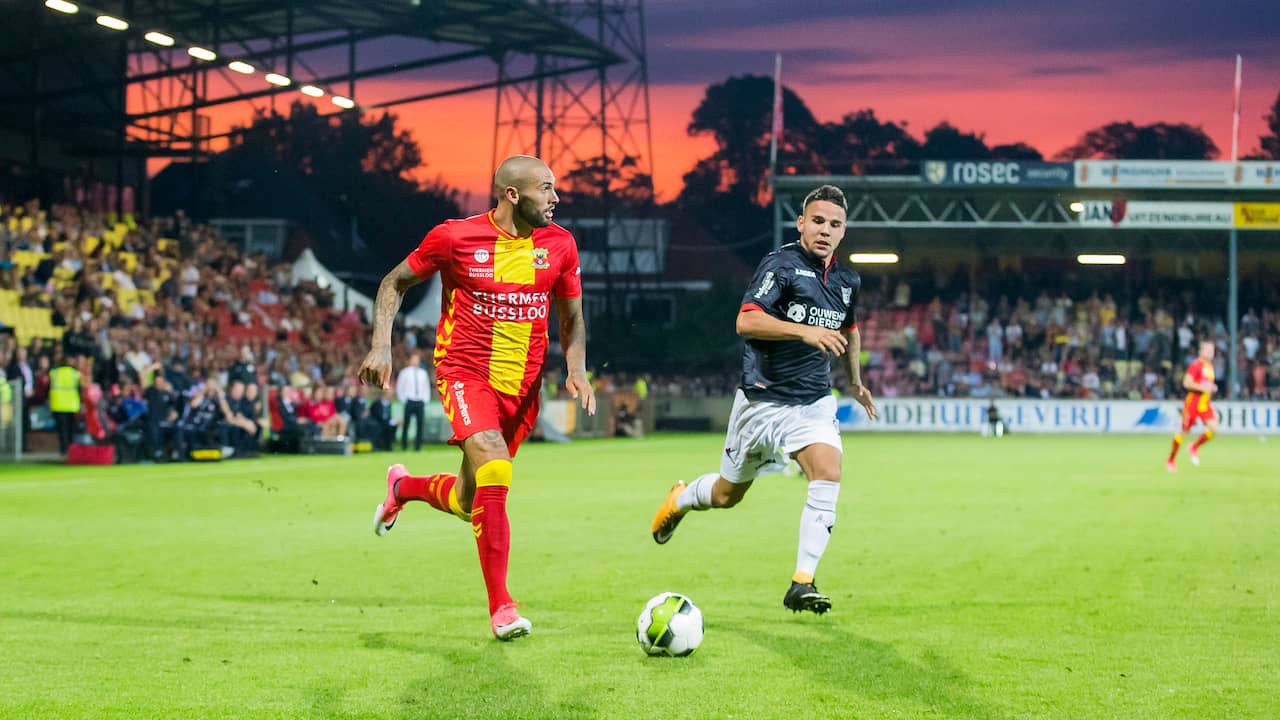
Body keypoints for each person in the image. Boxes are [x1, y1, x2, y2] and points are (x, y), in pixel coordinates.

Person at [358, 154, 595, 640]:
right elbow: (393, 282)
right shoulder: (455, 237)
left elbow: (571, 315)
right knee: (494, 464)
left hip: (523, 388)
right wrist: (381, 346)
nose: (556, 198)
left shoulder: (560, 245)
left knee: (471, 501)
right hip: (465, 373)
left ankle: (403, 489)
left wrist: (577, 368)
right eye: (546, 188)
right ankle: (502, 607)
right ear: (513, 194)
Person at [648, 184, 877, 615]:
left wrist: (855, 381)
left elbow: (849, 328)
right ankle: (680, 499)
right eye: (818, 221)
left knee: (828, 470)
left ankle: (802, 582)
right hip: (762, 402)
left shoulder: (847, 280)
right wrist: (804, 331)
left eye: (835, 224)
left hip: (813, 401)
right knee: (726, 495)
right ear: (801, 223)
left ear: (843, 231)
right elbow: (747, 321)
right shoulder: (781, 265)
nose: (825, 230)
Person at [1167, 340, 1218, 472]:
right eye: (1208, 350)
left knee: (1214, 428)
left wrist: (1211, 387)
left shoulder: (1209, 366)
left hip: (1204, 403)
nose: (1211, 353)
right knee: (1184, 432)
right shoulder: (1196, 365)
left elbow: (1205, 383)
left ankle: (1194, 447)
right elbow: (1187, 383)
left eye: (1212, 351)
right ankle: (1171, 460)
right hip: (1193, 403)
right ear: (1201, 352)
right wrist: (1204, 388)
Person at [395, 352, 430, 451]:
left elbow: (426, 387)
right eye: (413, 359)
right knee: (406, 424)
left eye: (417, 359)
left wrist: (425, 400)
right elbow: (400, 387)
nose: (415, 361)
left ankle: (418, 446)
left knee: (420, 424)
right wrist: (403, 399)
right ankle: (404, 445)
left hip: (420, 401)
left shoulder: (423, 373)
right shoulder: (404, 372)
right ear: (410, 360)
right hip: (409, 401)